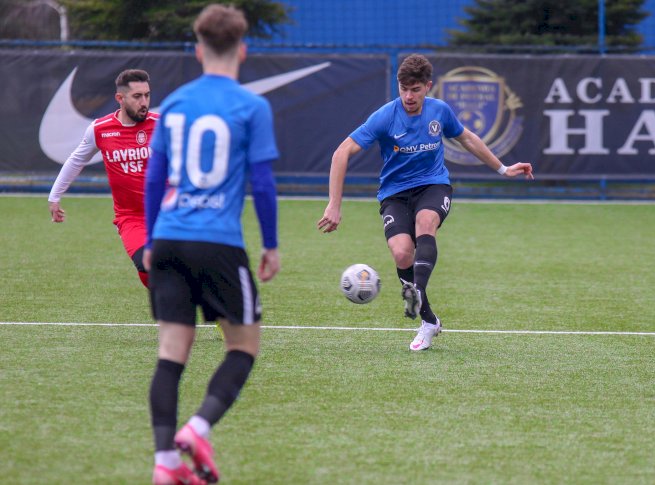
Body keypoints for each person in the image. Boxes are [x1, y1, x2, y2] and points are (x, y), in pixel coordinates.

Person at [142, 4, 280, 485]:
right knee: (244, 346)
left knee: (171, 353)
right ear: (242, 50)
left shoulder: (175, 103)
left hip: (169, 240)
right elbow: (262, 184)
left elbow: (154, 177)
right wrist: (271, 245)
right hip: (218, 243)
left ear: (198, 50)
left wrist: (151, 237)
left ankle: (165, 463)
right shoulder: (252, 106)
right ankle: (198, 429)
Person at [318, 53, 533, 352]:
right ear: (398, 85)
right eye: (404, 88)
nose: (409, 95)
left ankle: (414, 292)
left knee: (425, 223)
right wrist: (334, 204)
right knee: (402, 253)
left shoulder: (439, 111)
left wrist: (503, 169)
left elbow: (467, 138)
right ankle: (428, 320)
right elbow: (341, 152)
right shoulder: (385, 117)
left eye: (415, 89)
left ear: (428, 87)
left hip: (434, 185)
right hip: (394, 193)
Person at [48, 69, 157, 288]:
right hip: (131, 218)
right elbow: (76, 160)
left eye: (147, 95)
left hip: (167, 212)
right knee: (148, 266)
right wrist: (54, 196)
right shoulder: (100, 129)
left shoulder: (162, 125)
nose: (144, 101)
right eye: (137, 96)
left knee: (188, 263)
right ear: (120, 98)